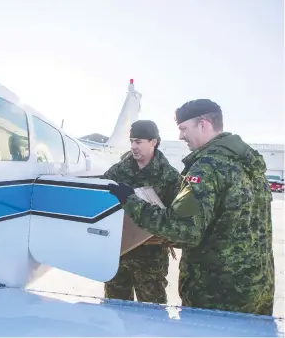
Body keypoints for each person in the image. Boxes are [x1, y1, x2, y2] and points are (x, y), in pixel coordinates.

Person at [108, 99, 275, 315]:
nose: (180, 136)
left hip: (217, 293)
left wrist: (131, 201)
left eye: (183, 128)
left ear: (203, 124)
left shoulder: (207, 168)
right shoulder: (250, 165)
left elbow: (183, 230)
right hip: (258, 288)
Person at [101, 120, 182, 304]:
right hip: (118, 258)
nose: (133, 147)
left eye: (138, 142)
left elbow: (178, 220)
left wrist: (164, 237)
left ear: (153, 142)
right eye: (131, 141)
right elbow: (99, 200)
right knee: (114, 311)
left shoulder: (169, 176)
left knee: (152, 317)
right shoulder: (118, 171)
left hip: (150, 262)